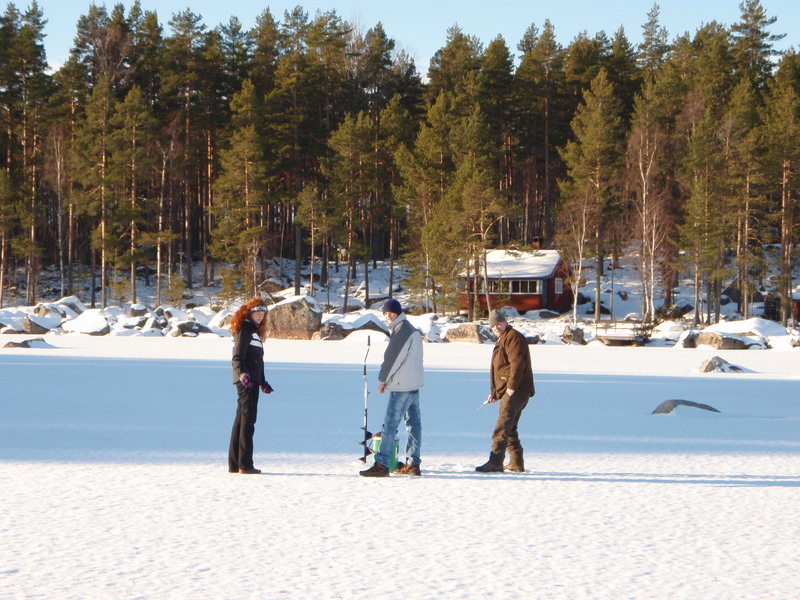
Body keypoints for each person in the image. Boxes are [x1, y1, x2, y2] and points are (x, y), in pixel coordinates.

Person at [359, 298, 424, 477]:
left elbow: (392, 359)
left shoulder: (402, 330)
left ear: (395, 313)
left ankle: (382, 464)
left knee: (390, 425)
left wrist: (383, 380)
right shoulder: (410, 329)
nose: (386, 316)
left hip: (401, 386)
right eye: (385, 313)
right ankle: (413, 463)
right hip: (413, 384)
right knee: (414, 424)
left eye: (388, 313)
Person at [475, 309, 535, 473]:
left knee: (502, 427)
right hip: (513, 390)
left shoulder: (513, 338)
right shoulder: (503, 339)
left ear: (505, 322)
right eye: (493, 325)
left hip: (517, 390)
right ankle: (516, 462)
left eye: (498, 323)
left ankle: (495, 462)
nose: (496, 327)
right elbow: (502, 369)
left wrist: (511, 388)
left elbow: (517, 364)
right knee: (510, 427)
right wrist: (496, 393)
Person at [228, 297, 274, 474]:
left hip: (251, 381)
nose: (260, 316)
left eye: (263, 313)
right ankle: (245, 465)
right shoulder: (246, 329)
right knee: (248, 421)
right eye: (257, 312)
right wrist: (242, 374)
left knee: (242, 420)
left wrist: (262, 382)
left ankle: (235, 464)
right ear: (249, 313)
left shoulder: (253, 331)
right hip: (246, 382)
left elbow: (256, 360)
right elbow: (237, 356)